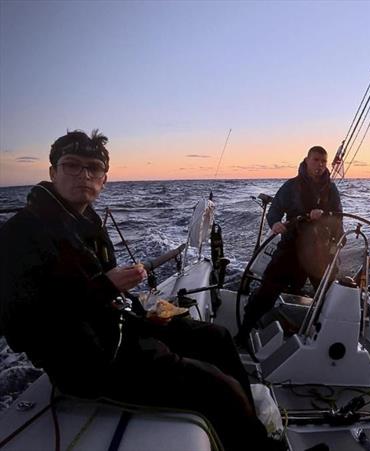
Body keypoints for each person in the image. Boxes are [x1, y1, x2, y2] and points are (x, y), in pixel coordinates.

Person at [0, 130, 281, 451]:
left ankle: (253, 427)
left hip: (120, 331)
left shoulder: (88, 224)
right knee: (221, 389)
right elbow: (20, 328)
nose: (84, 175)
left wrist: (143, 310)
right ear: (53, 172)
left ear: (104, 180)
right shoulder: (20, 234)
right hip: (87, 363)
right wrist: (104, 287)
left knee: (216, 338)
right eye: (72, 166)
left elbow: (104, 295)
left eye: (94, 168)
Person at [236, 146, 343, 345]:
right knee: (267, 290)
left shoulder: (331, 189)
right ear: (307, 160)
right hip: (291, 247)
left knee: (327, 295)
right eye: (316, 160)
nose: (320, 165)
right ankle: (243, 333)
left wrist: (338, 239)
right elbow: (274, 211)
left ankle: (326, 340)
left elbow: (338, 217)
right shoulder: (291, 186)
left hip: (318, 250)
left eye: (323, 161)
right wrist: (275, 223)